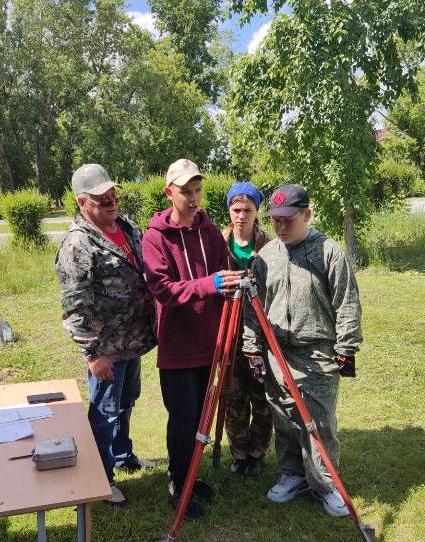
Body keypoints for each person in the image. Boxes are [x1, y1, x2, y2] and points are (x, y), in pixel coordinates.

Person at [243, 183, 362, 517]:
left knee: (319, 422)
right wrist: (252, 348)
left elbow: (347, 301)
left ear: (306, 215)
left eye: (288, 220)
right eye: (275, 220)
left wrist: (346, 346)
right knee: (284, 418)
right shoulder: (266, 256)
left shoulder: (328, 252)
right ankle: (293, 474)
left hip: (317, 353)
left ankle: (325, 484)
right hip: (277, 353)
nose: (280, 227)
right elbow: (253, 308)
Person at [142, 158, 242, 518]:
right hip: (177, 345)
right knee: (182, 418)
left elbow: (225, 270)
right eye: (186, 191)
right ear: (170, 192)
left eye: (198, 190)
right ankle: (177, 484)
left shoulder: (211, 232)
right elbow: (163, 289)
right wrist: (209, 284)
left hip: (210, 343)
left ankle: (191, 476)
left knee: (201, 415)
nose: (195, 198)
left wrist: (232, 279)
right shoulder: (154, 238)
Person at [55, 163, 157, 506]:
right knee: (105, 412)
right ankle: (102, 477)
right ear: (83, 203)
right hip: (107, 349)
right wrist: (93, 354)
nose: (112, 201)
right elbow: (74, 307)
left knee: (127, 402)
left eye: (113, 193)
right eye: (102, 198)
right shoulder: (78, 245)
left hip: (133, 339)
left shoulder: (126, 227)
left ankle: (123, 455)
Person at [222, 181, 273, 476]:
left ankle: (258, 452)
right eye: (236, 209)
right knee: (233, 397)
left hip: (262, 334)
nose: (241, 215)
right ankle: (238, 453)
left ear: (257, 211)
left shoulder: (269, 246)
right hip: (227, 332)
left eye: (247, 210)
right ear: (229, 210)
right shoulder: (219, 243)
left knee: (262, 396)